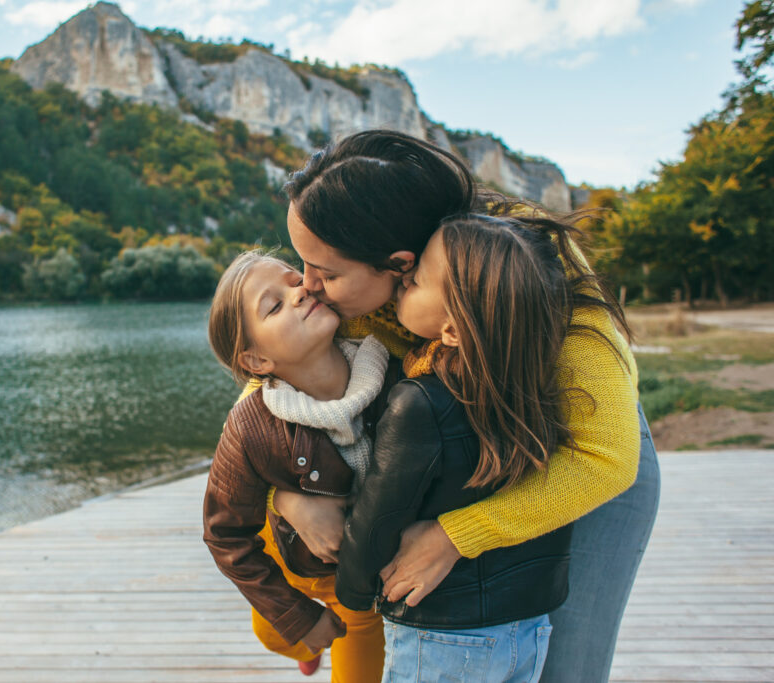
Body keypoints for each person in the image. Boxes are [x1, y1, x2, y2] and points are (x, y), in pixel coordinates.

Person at [272, 129, 661, 683]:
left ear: (401, 267)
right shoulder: (358, 283)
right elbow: (267, 386)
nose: (307, 288)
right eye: (302, 262)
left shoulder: (534, 267)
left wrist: (459, 535)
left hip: (580, 460)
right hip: (458, 451)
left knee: (566, 667)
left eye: (325, 273)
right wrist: (287, 492)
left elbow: (607, 458)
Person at [337, 213, 597, 682]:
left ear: (453, 331)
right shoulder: (545, 398)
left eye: (414, 282)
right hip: (529, 624)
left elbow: (378, 515)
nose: (401, 286)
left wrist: (353, 593)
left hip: (441, 630)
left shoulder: (418, 403)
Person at [202, 250, 390, 683]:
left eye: (294, 280)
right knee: (275, 633)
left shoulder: (391, 372)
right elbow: (224, 532)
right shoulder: (251, 425)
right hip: (286, 564)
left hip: (356, 587)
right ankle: (304, 644)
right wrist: (299, 618)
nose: (300, 291)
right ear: (257, 361)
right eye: (274, 305)